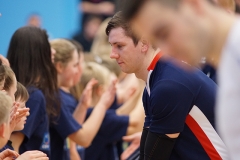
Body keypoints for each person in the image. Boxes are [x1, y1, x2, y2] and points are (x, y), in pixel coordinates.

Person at [122, 0, 240, 159]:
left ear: (192, 4)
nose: (165, 50)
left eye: (164, 33)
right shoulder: (229, 60)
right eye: (156, 41)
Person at [50, 38, 117, 159]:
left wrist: (82, 106)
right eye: (76, 64)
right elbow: (83, 139)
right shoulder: (54, 97)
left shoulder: (61, 96)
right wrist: (103, 104)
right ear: (59, 66)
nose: (79, 70)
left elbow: (71, 138)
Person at [70, 62, 144, 160]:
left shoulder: (88, 112)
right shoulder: (98, 117)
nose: (116, 90)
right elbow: (136, 123)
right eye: (111, 87)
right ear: (100, 90)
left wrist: (139, 93)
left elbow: (120, 113)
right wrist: (146, 86)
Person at [7, 26, 60, 156]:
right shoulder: (33, 96)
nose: (52, 51)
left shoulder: (28, 91)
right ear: (38, 54)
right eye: (47, 47)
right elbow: (13, 145)